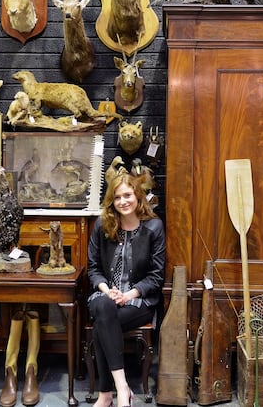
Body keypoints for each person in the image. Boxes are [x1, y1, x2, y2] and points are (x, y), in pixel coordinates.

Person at [87, 173, 165, 407]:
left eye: (128, 195)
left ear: (138, 196)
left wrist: (129, 294)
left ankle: (105, 394)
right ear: (112, 201)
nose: (123, 201)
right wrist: (106, 289)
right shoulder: (102, 225)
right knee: (103, 306)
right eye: (118, 197)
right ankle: (122, 388)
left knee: (103, 324)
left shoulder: (154, 227)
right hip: (106, 295)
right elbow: (93, 268)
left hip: (138, 301)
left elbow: (156, 276)